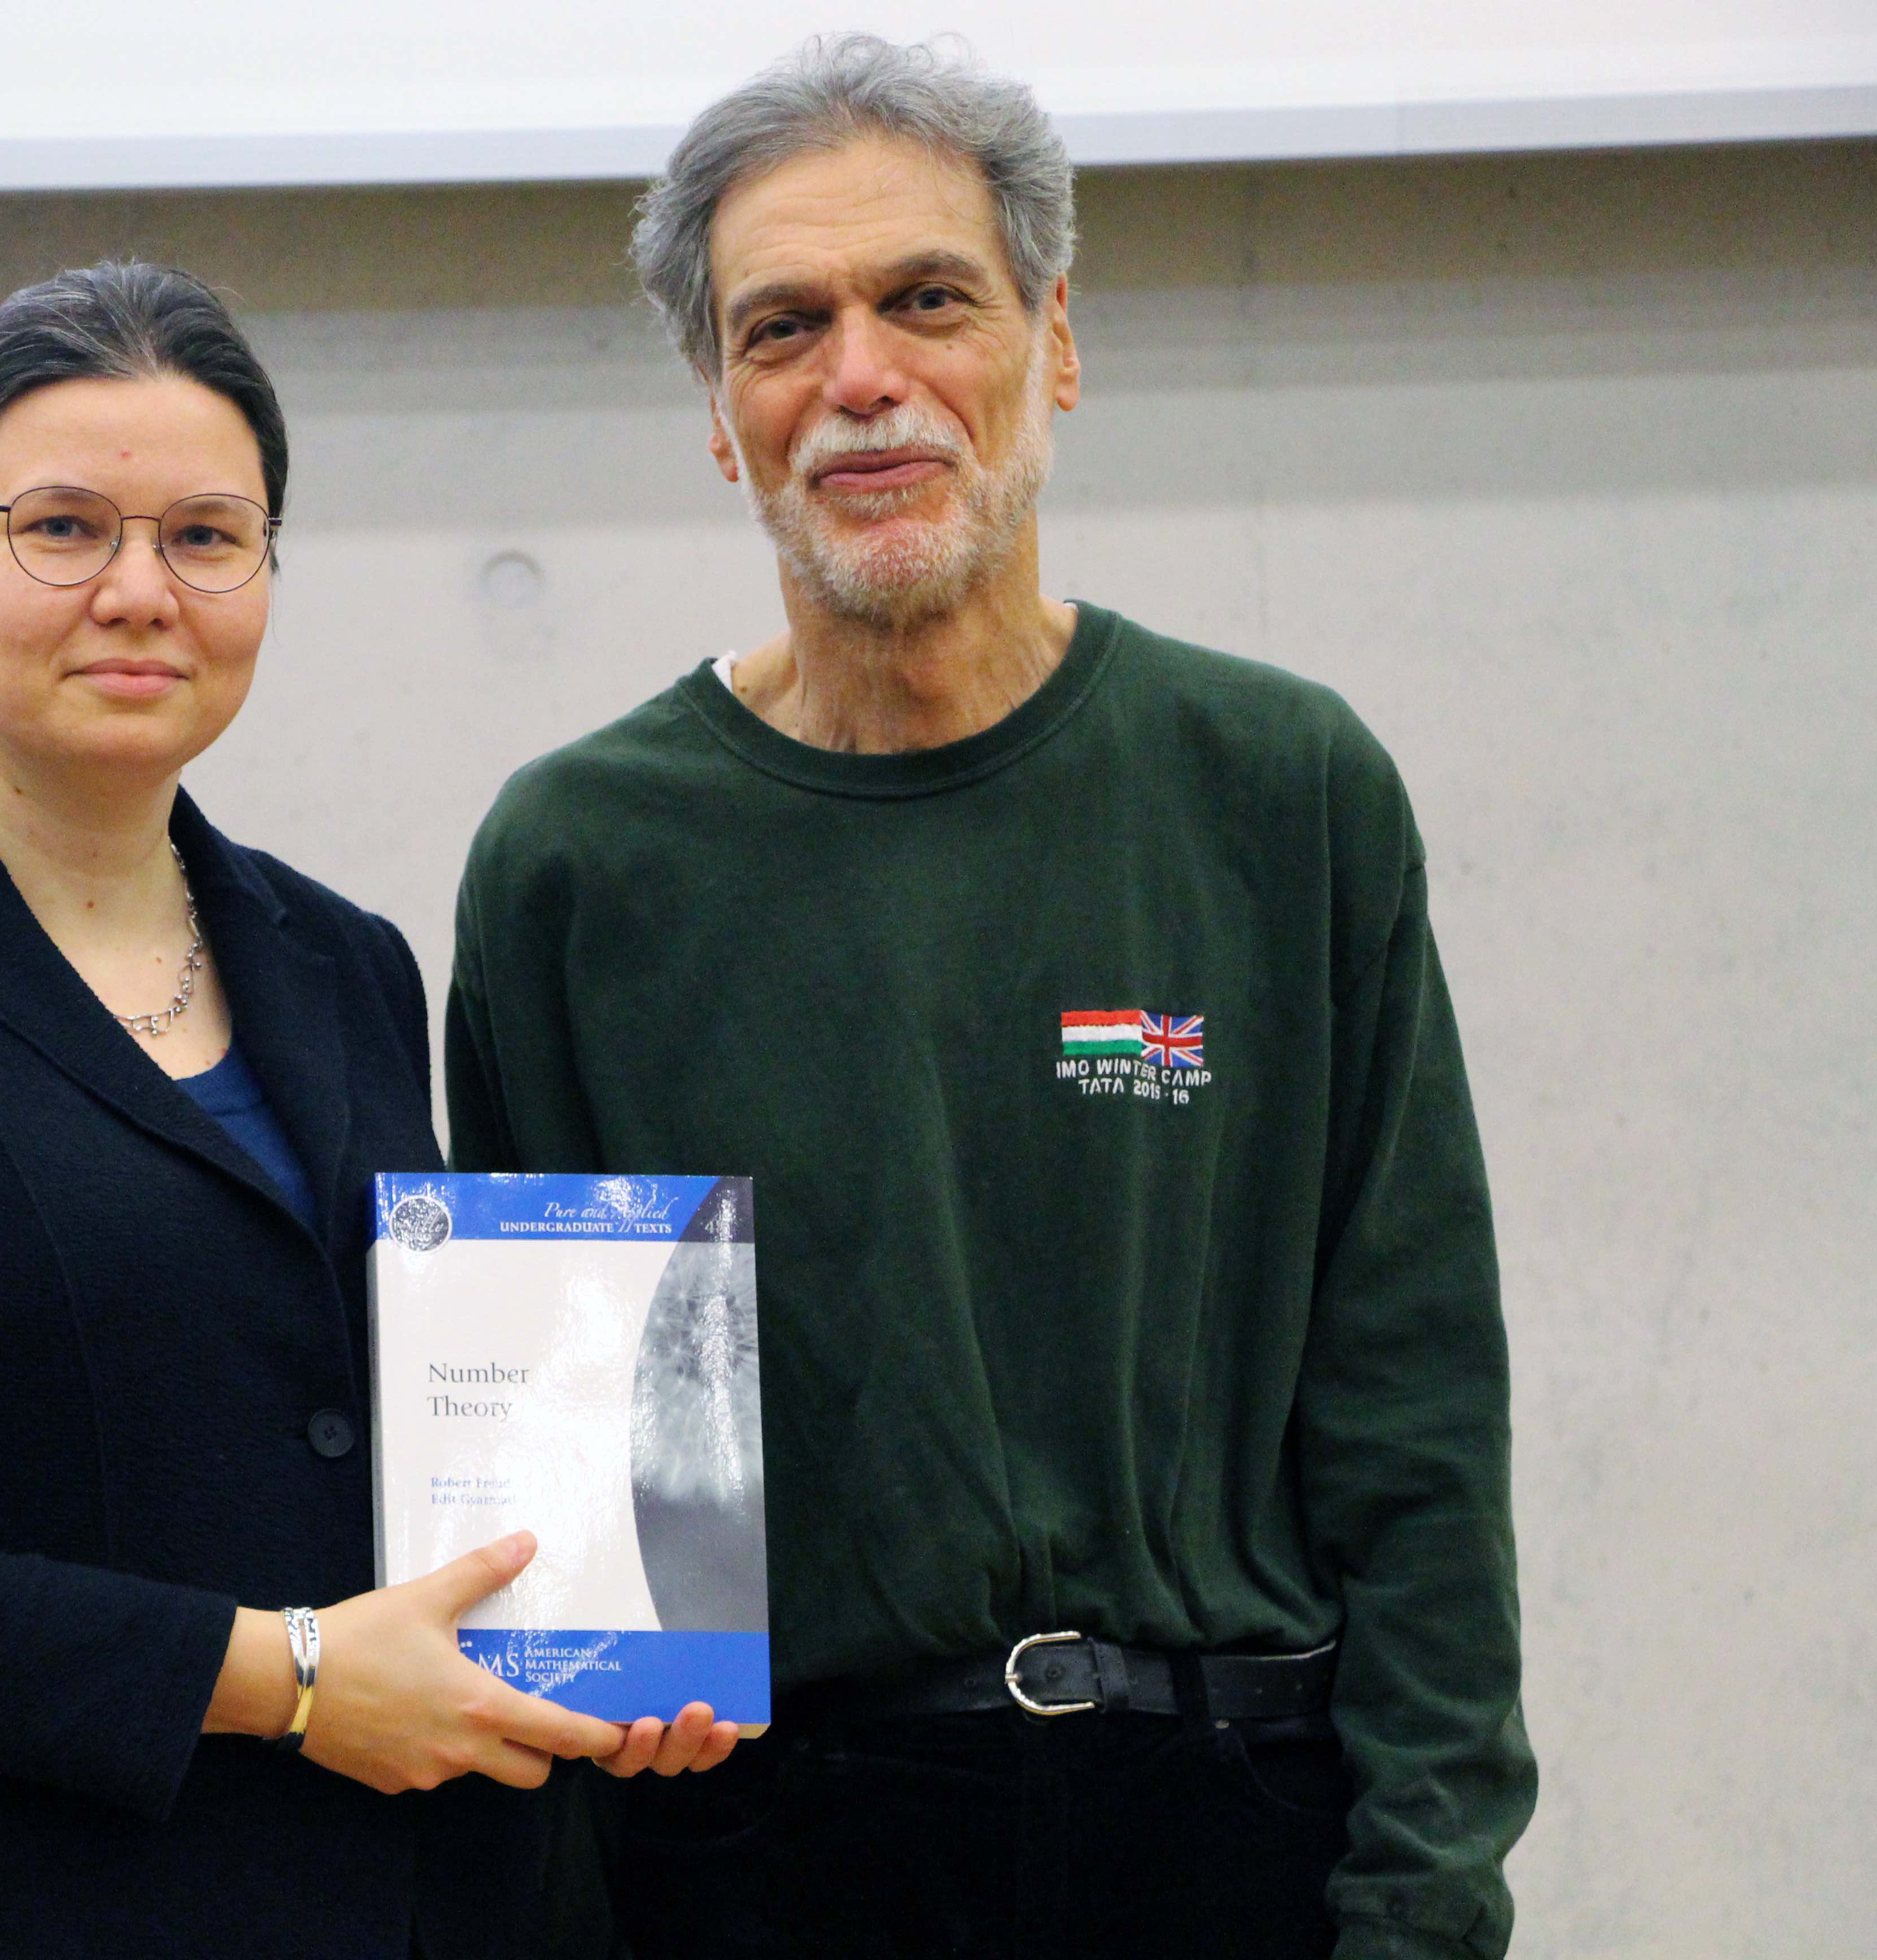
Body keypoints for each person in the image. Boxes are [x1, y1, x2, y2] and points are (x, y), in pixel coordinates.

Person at [448, 39, 1534, 1960]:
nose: (861, 376)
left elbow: (1417, 1421)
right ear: (721, 411)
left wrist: (1427, 1909)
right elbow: (570, 1557)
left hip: (1233, 1830)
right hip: (773, 1862)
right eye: (784, 327)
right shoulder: (580, 864)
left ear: (1057, 342)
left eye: (929, 301)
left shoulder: (1281, 791)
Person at [0, 262, 729, 1960]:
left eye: (205, 536)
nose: (139, 592)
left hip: (396, 1901)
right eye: (62, 530)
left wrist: (600, 1644)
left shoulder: (342, 960)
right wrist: (291, 1677)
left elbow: (386, 1426)